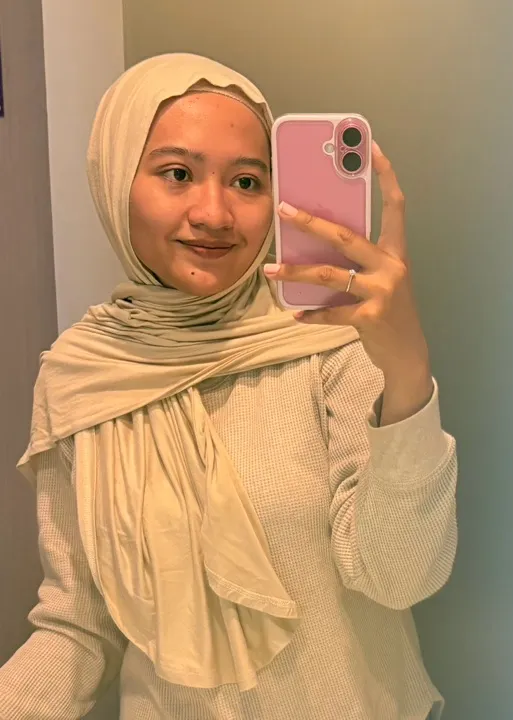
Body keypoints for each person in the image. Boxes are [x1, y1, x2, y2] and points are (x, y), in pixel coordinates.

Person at [0, 53, 457, 720]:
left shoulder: (327, 340)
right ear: (116, 180)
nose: (214, 213)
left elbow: (399, 576)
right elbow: (80, 625)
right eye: (177, 174)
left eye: (246, 182)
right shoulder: (83, 376)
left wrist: (408, 373)